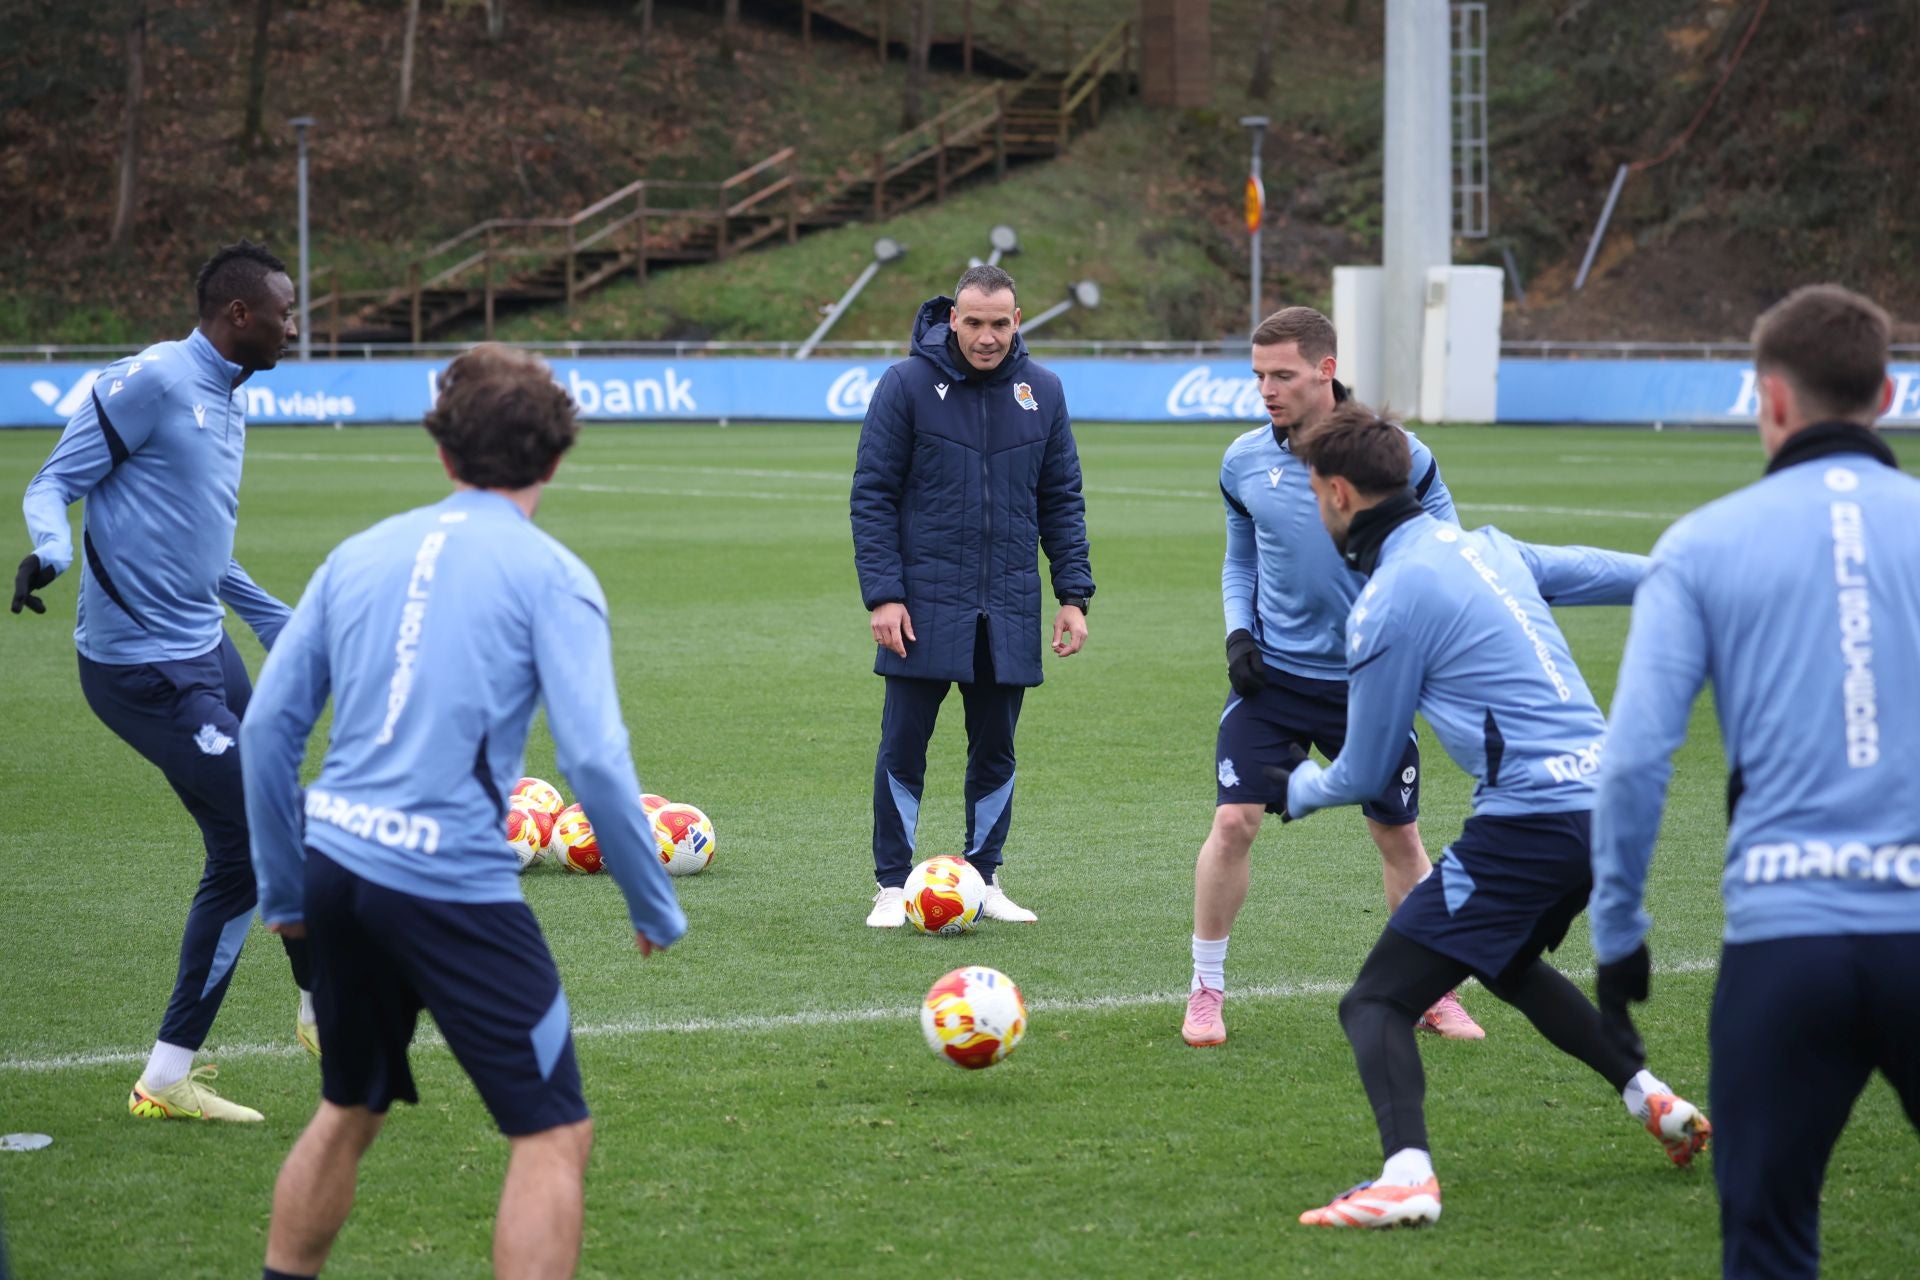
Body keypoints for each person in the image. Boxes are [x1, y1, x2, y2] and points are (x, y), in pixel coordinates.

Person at [242, 344, 686, 1280]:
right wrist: (653, 906)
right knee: (551, 1133)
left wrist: (286, 895)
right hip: (447, 886)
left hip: (338, 871)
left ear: (442, 453)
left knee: (347, 1109)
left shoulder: (356, 554)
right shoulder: (553, 575)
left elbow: (267, 732)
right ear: (557, 458)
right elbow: (597, 762)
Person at [1277, 403, 1710, 1229]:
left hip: (1534, 821)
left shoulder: (1388, 599)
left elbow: (1365, 769)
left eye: (1312, 492)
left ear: (1338, 493)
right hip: (1609, 804)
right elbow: (1614, 571)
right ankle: (1649, 1096)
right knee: (1504, 961)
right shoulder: (1487, 546)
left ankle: (1407, 1180)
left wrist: (1297, 787)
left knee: (1374, 1002)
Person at [1590, 284, 1920, 1279]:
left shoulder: (1701, 543)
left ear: (1768, 399)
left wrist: (1618, 933)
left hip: (1786, 939)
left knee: (1769, 1243)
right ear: (1891, 392)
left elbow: (1638, 754)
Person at [14, 240, 308, 1122]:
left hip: (203, 648)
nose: (297, 328)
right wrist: (52, 551)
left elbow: (198, 544)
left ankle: (187, 1068)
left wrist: (274, 623)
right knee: (260, 829)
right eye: (286, 313)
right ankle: (311, 1009)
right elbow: (51, 482)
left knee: (256, 831)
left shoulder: (228, 397)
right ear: (240, 317)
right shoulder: (149, 381)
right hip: (138, 668)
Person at [1185, 305, 1482, 1048]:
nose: (1266, 390)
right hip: (1274, 680)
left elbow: (1447, 550)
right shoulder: (1243, 462)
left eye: (1281, 374)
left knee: (1398, 837)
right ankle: (1205, 990)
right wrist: (1238, 634)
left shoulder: (1400, 457)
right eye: (1257, 376)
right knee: (1232, 822)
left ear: (1325, 369)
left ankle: (1432, 991)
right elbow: (1241, 559)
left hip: (1370, 684)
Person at [850, 264, 1094, 927]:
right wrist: (884, 596)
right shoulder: (905, 385)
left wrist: (1073, 595)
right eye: (974, 322)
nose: (986, 337)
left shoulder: (1041, 390)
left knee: (996, 750)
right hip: (922, 604)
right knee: (903, 745)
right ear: (952, 319)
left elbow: (1061, 500)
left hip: (1008, 604)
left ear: (1018, 322)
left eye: (1000, 323)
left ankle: (984, 879)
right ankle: (892, 887)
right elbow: (872, 495)